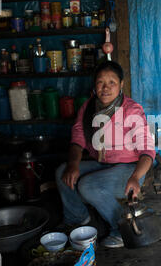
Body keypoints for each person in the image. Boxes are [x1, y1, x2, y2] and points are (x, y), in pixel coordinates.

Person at [55, 61, 155, 248]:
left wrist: (135, 177)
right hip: (103, 164)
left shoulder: (132, 110)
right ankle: (78, 218)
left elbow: (148, 151)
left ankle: (121, 231)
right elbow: (77, 139)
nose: (106, 88)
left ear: (121, 84)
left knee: (88, 186)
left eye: (112, 82)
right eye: (101, 82)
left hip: (130, 169)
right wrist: (74, 164)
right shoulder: (88, 108)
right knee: (63, 172)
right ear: (94, 85)